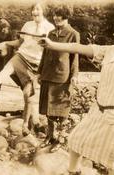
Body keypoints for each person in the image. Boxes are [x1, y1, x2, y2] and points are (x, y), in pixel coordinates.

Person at [38, 14, 114, 175]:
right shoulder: (111, 50)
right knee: (76, 140)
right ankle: (73, 172)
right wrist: (52, 45)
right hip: (98, 111)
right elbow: (78, 47)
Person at [0, 2, 54, 135]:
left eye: (37, 9)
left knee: (28, 96)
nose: (34, 12)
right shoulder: (28, 25)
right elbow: (20, 42)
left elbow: (53, 49)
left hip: (36, 65)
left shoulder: (50, 28)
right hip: (22, 56)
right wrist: (3, 43)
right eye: (33, 9)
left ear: (43, 11)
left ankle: (26, 125)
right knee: (10, 65)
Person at [38, 6, 80, 150]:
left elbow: (75, 58)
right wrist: (39, 72)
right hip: (47, 75)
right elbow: (45, 54)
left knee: (61, 111)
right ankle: (50, 137)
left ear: (67, 16)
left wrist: (74, 75)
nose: (56, 18)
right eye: (55, 15)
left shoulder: (73, 34)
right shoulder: (50, 33)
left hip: (62, 77)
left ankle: (60, 140)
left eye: (60, 15)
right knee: (48, 109)